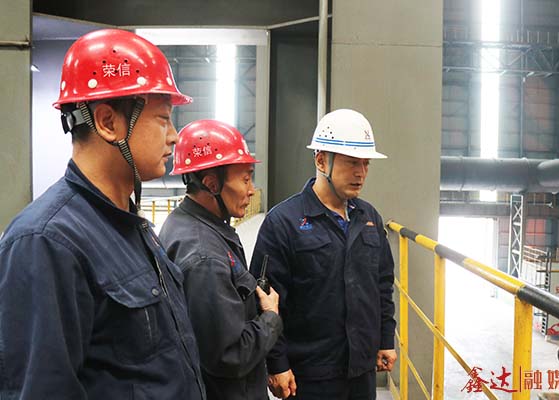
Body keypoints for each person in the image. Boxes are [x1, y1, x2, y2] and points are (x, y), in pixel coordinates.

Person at [0, 29, 206, 399]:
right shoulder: (46, 243)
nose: (175, 136)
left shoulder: (130, 225)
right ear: (108, 122)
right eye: (163, 118)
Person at [250, 109, 398, 400]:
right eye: (352, 162)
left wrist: (385, 338)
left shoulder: (369, 217)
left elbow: (382, 285)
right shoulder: (284, 222)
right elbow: (264, 299)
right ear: (321, 160)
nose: (361, 172)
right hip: (309, 376)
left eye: (366, 163)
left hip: (361, 371)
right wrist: (277, 363)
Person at [159, 119, 283, 400]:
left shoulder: (188, 224)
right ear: (211, 183)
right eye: (245, 178)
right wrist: (271, 318)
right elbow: (230, 355)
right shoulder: (204, 256)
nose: (251, 190)